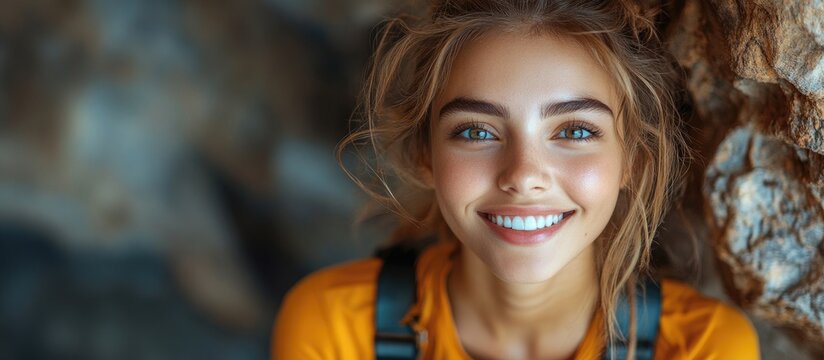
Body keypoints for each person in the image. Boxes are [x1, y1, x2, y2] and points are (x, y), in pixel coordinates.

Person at [272, 1, 760, 359]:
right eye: (477, 131)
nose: (523, 176)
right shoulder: (336, 329)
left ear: (634, 158)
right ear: (425, 155)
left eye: (575, 131)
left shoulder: (702, 347)